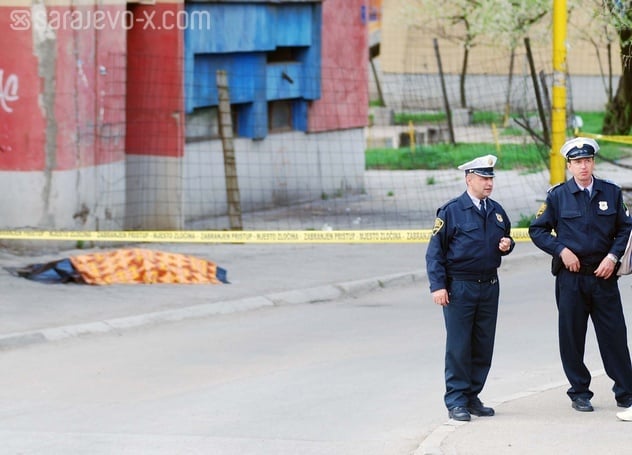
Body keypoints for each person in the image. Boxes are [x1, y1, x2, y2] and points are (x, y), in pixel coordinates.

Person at [529, 137, 632, 415]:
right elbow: (537, 230)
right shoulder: (557, 196)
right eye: (577, 162)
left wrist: (613, 257)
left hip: (603, 276)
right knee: (572, 337)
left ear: (593, 162)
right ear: (569, 166)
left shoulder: (610, 192)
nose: (583, 166)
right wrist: (561, 250)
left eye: (587, 160)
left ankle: (625, 392)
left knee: (614, 336)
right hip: (571, 279)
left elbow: (625, 228)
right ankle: (579, 392)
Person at [425, 154, 515, 422]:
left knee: (483, 343)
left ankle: (472, 396)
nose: (489, 183)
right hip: (459, 286)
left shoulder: (496, 210)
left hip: (488, 285)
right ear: (469, 179)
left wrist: (507, 245)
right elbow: (434, 253)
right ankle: (455, 400)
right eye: (484, 178)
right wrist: (438, 286)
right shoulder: (451, 211)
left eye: (491, 178)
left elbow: (506, 237)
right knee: (459, 345)